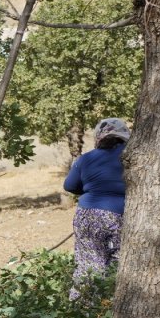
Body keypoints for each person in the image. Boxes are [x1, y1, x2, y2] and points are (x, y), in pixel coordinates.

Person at [63, 117, 130, 300]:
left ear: (98, 138)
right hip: (120, 217)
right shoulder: (131, 156)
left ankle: (80, 312)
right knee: (119, 265)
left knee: (87, 266)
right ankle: (111, 308)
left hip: (87, 216)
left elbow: (69, 186)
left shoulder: (86, 158)